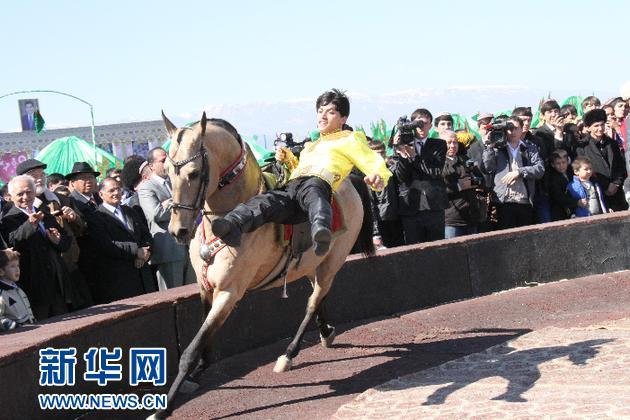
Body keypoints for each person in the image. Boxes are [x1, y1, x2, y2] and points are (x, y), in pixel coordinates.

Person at [212, 89, 390, 255]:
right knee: (265, 201)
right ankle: (232, 224)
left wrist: (378, 176)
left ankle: (321, 231)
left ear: (343, 118)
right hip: (293, 188)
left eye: (330, 112)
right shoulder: (310, 146)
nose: (323, 116)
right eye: (320, 111)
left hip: (318, 183)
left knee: (314, 192)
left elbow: (373, 161)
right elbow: (298, 168)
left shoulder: (350, 139)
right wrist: (288, 158)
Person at [16, 159, 92, 310]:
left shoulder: (62, 199)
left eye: (41, 174)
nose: (39, 178)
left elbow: (83, 229)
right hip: (46, 274)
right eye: (33, 175)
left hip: (72, 265)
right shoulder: (20, 208)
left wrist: (74, 218)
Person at [0, 175, 71, 320]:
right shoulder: (8, 219)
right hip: (32, 283)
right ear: (11, 196)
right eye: (20, 194)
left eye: (29, 192)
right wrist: (30, 225)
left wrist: (56, 240)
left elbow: (65, 243)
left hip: (57, 282)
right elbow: (11, 243)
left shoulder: (44, 214)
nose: (25, 197)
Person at [89, 178, 155, 303]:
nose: (116, 193)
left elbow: (146, 234)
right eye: (111, 190)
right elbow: (107, 245)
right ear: (101, 194)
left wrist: (145, 252)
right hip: (121, 279)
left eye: (118, 189)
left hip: (143, 275)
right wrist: (136, 251)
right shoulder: (97, 217)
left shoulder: (130, 211)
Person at [138, 148, 195, 290]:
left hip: (188, 244)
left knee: (192, 292)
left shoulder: (176, 181)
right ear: (151, 166)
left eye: (168, 159)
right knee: (173, 295)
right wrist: (177, 202)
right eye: (163, 161)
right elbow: (155, 214)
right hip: (168, 249)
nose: (167, 163)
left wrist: (169, 203)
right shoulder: (146, 187)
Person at [389, 108, 448, 244]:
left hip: (434, 206)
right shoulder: (403, 144)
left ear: (431, 125)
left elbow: (435, 172)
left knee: (437, 247)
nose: (421, 128)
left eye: (425, 123)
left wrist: (414, 157)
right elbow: (400, 177)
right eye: (418, 124)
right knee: (413, 249)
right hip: (410, 206)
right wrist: (403, 154)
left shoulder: (438, 144)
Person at [481, 116, 544, 229]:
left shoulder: (530, 148)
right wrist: (489, 147)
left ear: (521, 129)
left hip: (524, 200)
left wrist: (519, 172)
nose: (512, 132)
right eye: (509, 128)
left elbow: (540, 169)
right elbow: (488, 168)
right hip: (504, 201)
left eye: (515, 128)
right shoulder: (497, 148)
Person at [574, 109, 628, 211]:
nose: (600, 128)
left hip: (617, 193)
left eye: (602, 125)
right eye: (596, 126)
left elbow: (620, 166)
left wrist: (616, 183)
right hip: (596, 193)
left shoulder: (612, 143)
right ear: (588, 128)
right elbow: (583, 170)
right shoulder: (581, 147)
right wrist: (605, 186)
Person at [441, 130, 484, 238]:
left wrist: (473, 181)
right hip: (452, 219)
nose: (452, 146)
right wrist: (460, 185)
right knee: (452, 253)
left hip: (471, 216)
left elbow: (481, 179)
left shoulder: (465, 160)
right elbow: (440, 188)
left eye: (455, 142)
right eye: (448, 142)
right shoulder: (439, 163)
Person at [367, 140, 403, 249]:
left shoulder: (391, 170)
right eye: (376, 153)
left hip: (397, 220)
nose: (380, 156)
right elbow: (370, 206)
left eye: (382, 153)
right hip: (381, 222)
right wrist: (375, 233)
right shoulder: (368, 175)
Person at [0, 249, 35, 331]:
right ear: (1, 271)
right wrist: (15, 326)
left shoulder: (18, 289)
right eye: (12, 266)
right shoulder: (1, 293)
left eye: (18, 265)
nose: (17, 269)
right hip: (15, 336)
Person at [547, 150, 583, 221]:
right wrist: (576, 202)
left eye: (563, 162)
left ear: (568, 162)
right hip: (560, 213)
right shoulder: (552, 178)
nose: (561, 166)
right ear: (552, 164)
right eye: (558, 163)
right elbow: (559, 197)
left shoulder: (571, 173)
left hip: (575, 210)